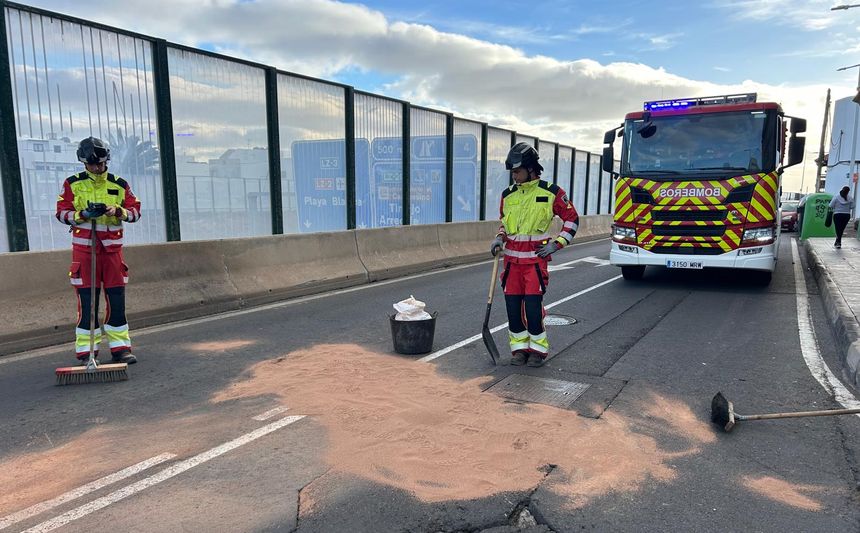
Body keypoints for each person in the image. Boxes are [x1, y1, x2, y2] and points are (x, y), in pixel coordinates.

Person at [489, 142, 579, 367]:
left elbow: (572, 219)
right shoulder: (507, 195)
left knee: (532, 309)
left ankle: (537, 351)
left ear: (530, 169)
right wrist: (499, 238)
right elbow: (505, 224)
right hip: (511, 264)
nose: (514, 176)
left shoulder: (551, 192)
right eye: (512, 172)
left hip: (534, 264)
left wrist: (557, 244)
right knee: (512, 309)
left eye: (517, 171)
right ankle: (519, 350)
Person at [55, 137, 141, 364]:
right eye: (92, 164)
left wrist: (118, 210)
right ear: (84, 163)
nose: (97, 168)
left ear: (106, 160)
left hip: (112, 252)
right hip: (85, 253)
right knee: (88, 303)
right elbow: (61, 213)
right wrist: (82, 215)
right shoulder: (72, 184)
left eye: (101, 164)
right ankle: (87, 352)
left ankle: (120, 348)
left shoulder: (119, 184)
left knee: (116, 301)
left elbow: (135, 212)